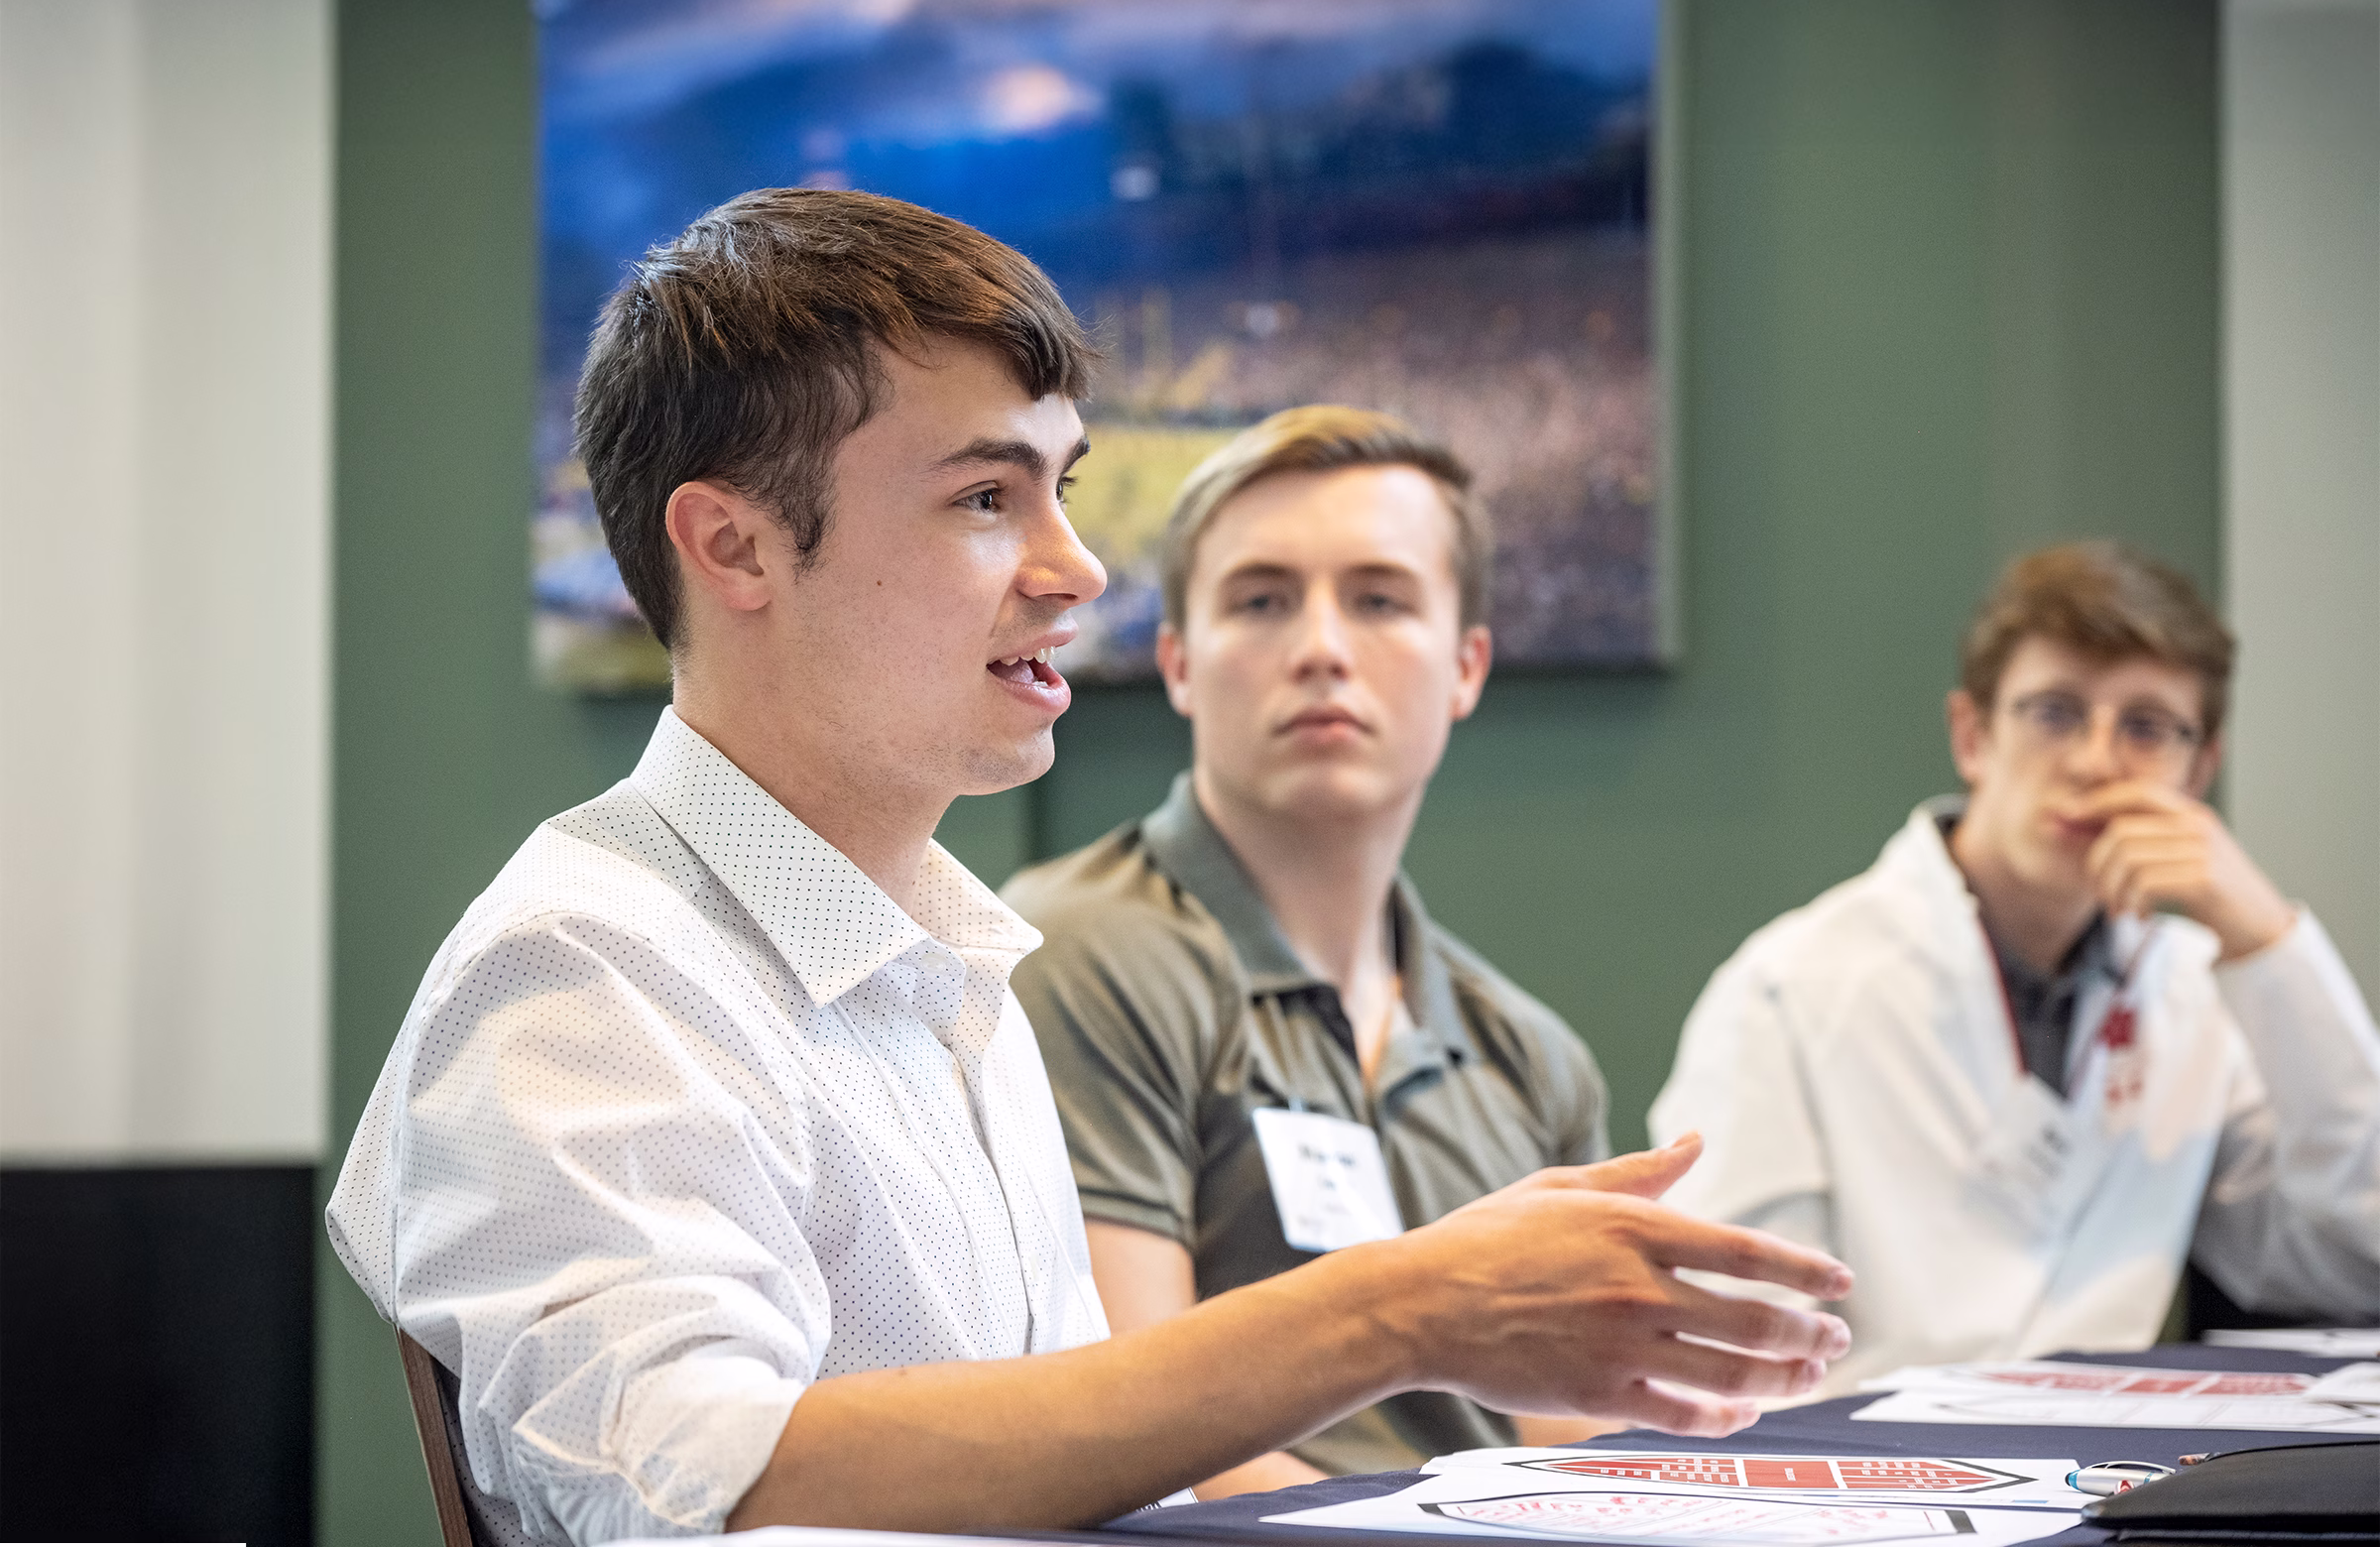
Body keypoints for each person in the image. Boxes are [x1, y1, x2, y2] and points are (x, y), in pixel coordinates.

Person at [327, 189, 1854, 1547]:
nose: (1080, 568)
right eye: (988, 498)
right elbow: (703, 1488)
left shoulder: (946, 968)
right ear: (732, 550)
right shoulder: (587, 968)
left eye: (1062, 487)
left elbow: (1086, 1477)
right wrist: (1400, 1310)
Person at [1003, 406, 1616, 1496]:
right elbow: (1128, 1430)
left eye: (1379, 599)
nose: (1322, 648)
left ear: (1468, 665)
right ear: (1180, 664)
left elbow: (1573, 1438)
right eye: (1262, 600)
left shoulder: (1533, 1053)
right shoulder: (1087, 956)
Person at [1651, 541, 2380, 1398]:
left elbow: (2353, 1264)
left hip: (2113, 1486)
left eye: (2147, 726)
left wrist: (2267, 938)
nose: (2096, 761)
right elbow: (1724, 1342)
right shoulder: (1793, 986)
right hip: (1866, 1492)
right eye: (2056, 712)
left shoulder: (2199, 994)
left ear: (2201, 769)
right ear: (1973, 736)